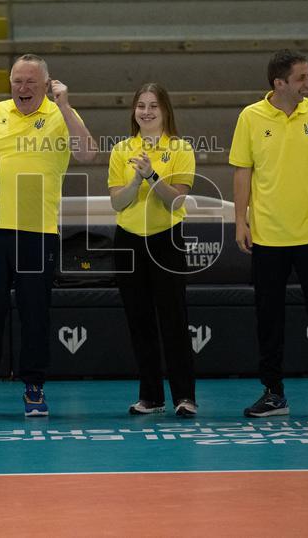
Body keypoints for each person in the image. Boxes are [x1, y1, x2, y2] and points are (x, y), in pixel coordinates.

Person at [0, 54, 97, 417]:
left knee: (35, 313)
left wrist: (66, 105)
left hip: (37, 233)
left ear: (47, 84)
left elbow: (87, 154)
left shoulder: (60, 114)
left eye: (31, 82)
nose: (23, 88)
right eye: (17, 81)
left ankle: (35, 389)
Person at [229, 49, 308, 418]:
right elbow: (242, 173)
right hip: (267, 237)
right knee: (269, 319)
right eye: (301, 79)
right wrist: (240, 221)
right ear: (279, 83)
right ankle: (273, 393)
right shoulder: (250, 117)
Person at [108, 83, 197, 417]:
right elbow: (118, 202)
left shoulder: (180, 148)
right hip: (129, 240)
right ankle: (151, 397)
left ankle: (184, 397)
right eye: (141, 106)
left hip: (167, 238)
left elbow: (176, 201)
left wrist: (152, 175)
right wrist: (135, 179)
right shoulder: (121, 150)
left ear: (165, 111)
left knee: (174, 318)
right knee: (139, 320)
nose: (146, 112)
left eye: (153, 106)